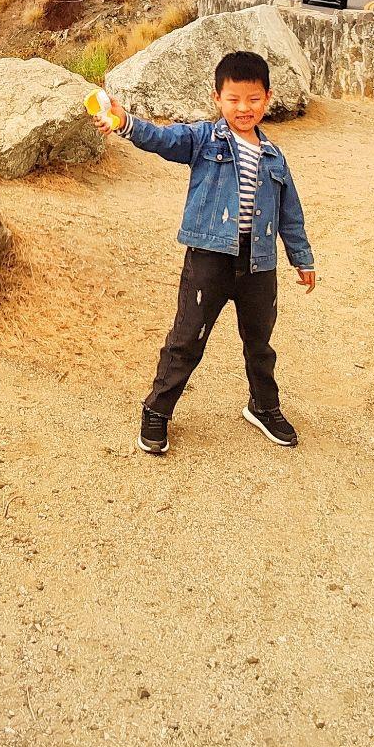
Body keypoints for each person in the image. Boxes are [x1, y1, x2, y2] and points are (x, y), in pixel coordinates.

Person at [89, 50, 317, 454]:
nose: (243, 108)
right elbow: (162, 138)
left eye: (253, 99)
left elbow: (290, 214)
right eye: (233, 99)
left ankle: (263, 407)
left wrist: (302, 258)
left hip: (259, 264)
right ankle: (157, 411)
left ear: (267, 98)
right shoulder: (203, 139)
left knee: (260, 343)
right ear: (217, 99)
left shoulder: (275, 158)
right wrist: (125, 123)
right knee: (187, 339)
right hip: (209, 258)